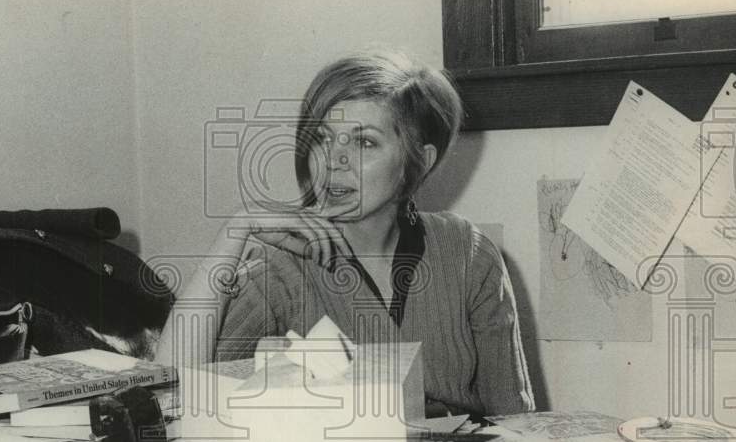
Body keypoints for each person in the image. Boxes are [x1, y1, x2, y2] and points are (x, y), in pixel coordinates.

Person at [154, 48, 534, 417]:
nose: (334, 160)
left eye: (364, 142)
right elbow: (172, 391)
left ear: (418, 161)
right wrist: (234, 230)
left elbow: (517, 421)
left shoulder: (468, 252)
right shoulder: (279, 266)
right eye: (321, 138)